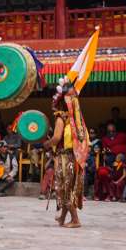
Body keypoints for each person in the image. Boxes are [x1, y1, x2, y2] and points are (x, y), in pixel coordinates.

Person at [47, 80, 89, 227]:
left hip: (65, 157)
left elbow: (56, 138)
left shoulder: (61, 119)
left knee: (63, 188)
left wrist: (46, 144)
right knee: (68, 186)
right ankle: (63, 218)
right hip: (73, 156)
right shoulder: (73, 120)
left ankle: (75, 220)